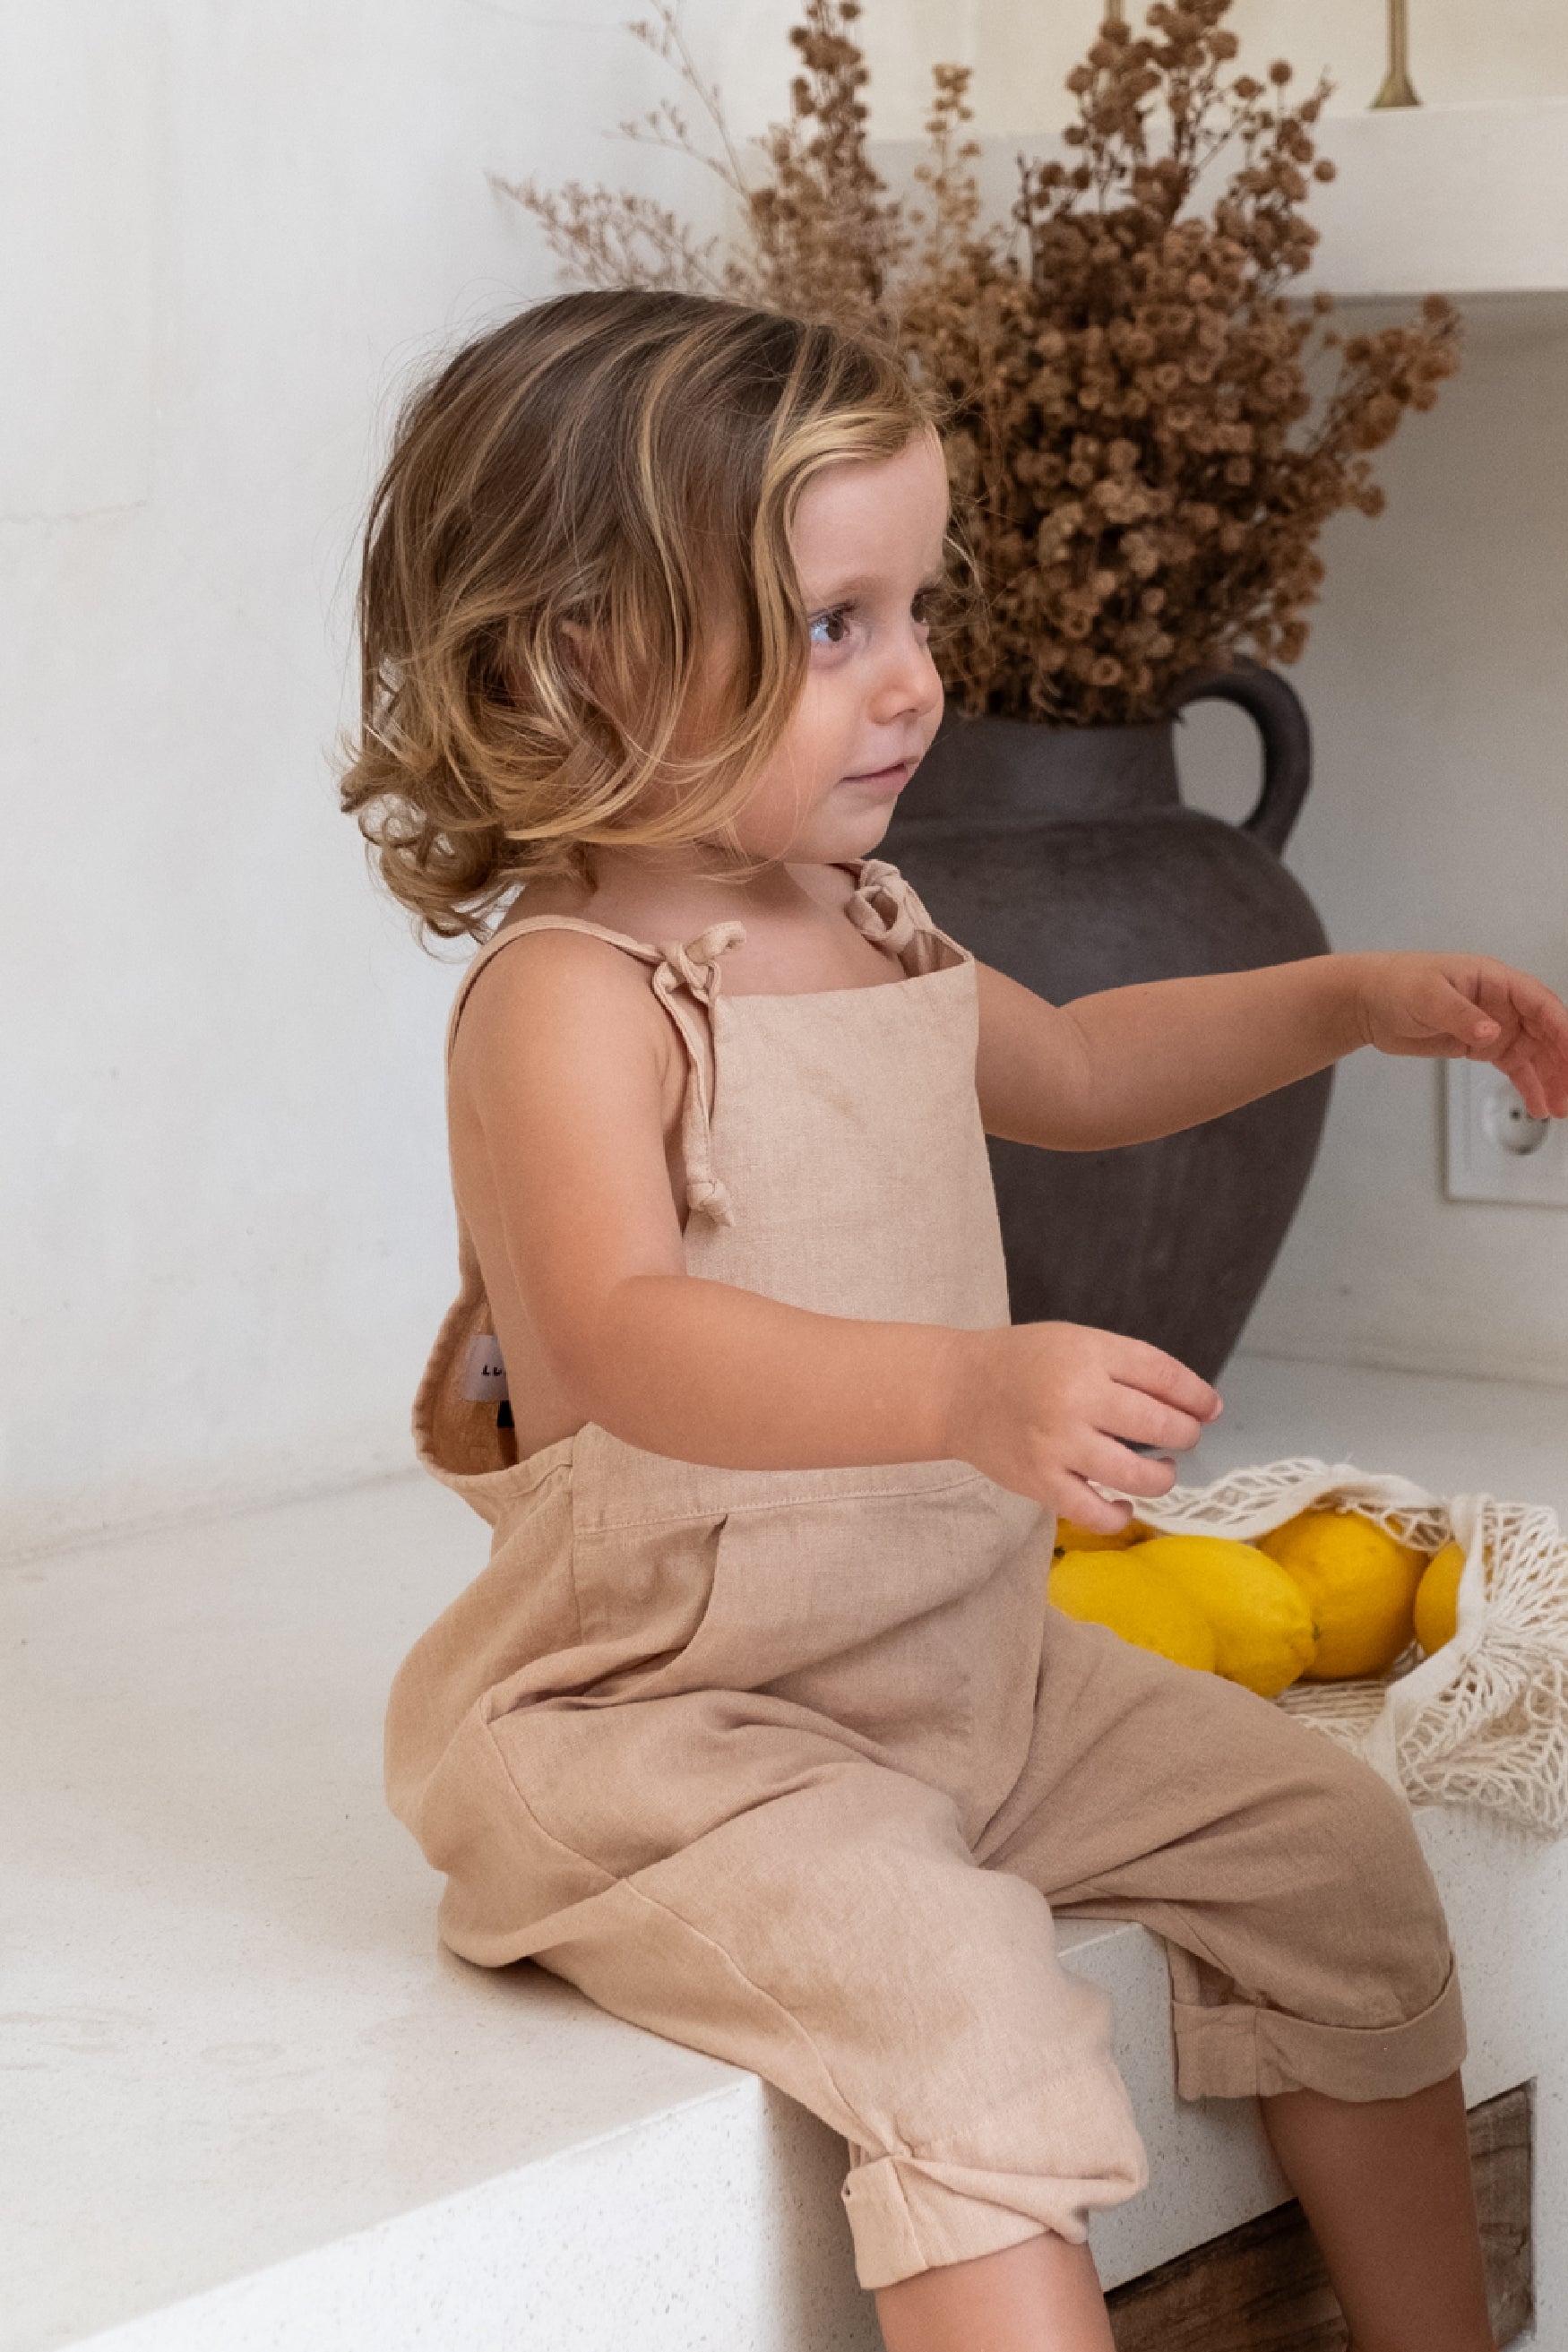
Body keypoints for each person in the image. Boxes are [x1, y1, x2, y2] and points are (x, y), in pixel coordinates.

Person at [340, 289, 1568, 2352]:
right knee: (963, 2009)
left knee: (1332, 1851)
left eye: (915, 609)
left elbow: (1078, 1061)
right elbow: (622, 1329)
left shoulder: (866, 914)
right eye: (836, 624)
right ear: (580, 651)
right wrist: (951, 1385)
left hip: (960, 1669)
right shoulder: (565, 997)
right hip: (673, 1725)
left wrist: (1345, 1001)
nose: (913, 682)